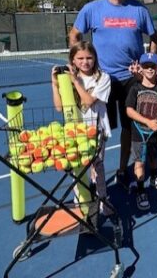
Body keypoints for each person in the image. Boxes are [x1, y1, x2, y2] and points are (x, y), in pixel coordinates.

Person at [69, 0, 157, 189]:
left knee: (131, 128)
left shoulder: (139, 9)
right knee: (97, 130)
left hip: (131, 79)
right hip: (103, 81)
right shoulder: (92, 9)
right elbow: (75, 35)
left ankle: (121, 169)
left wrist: (147, 65)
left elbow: (154, 39)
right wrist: (78, 62)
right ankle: (96, 174)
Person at [51, 41, 113, 217]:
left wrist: (75, 81)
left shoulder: (103, 78)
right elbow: (58, 107)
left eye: (89, 58)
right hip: (75, 132)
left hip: (96, 130)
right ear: (73, 60)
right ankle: (81, 200)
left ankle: (103, 199)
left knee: (98, 167)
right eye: (80, 58)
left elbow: (88, 101)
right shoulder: (67, 79)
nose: (85, 62)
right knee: (77, 167)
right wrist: (55, 84)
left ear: (95, 59)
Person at [125, 53, 157, 211]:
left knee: (153, 157)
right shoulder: (135, 88)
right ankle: (141, 190)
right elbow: (129, 110)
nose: (149, 69)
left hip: (155, 132)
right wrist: (148, 122)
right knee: (139, 162)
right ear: (140, 69)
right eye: (146, 66)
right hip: (139, 133)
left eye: (153, 66)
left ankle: (154, 176)